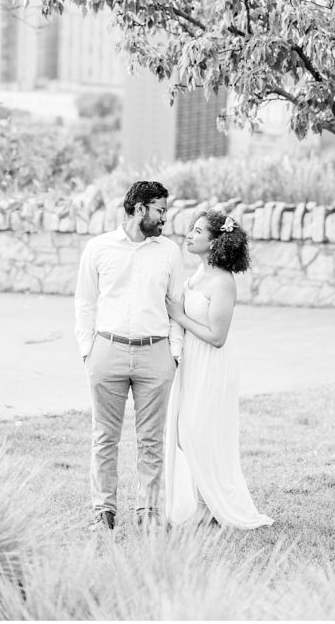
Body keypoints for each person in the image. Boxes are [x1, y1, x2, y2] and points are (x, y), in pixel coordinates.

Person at [74, 180, 186, 532]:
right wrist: (87, 351)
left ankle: (148, 513)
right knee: (104, 436)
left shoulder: (168, 251)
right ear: (140, 209)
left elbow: (176, 305)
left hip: (155, 353)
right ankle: (102, 512)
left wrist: (175, 354)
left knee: (152, 438)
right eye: (160, 210)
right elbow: (85, 302)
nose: (164, 218)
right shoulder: (98, 248)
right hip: (107, 350)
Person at [163, 210, 273, 529]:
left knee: (197, 432)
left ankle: (208, 507)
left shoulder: (223, 282)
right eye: (192, 229)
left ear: (214, 242)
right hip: (191, 364)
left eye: (198, 231)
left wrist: (179, 316)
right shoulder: (196, 275)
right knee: (185, 433)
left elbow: (217, 337)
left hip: (212, 364)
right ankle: (205, 503)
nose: (190, 234)